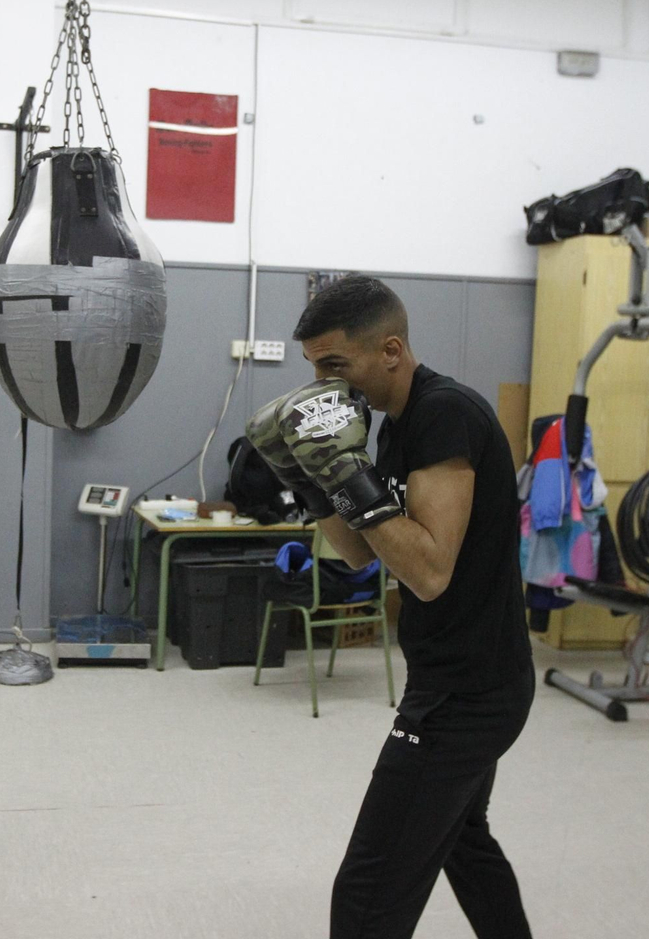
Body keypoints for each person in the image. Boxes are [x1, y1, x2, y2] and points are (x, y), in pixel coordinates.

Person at [246, 275, 534, 939]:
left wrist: (349, 475)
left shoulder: (443, 415)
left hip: (466, 694)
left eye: (335, 365)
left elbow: (429, 571)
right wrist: (310, 476)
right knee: (463, 840)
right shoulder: (393, 426)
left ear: (392, 350)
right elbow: (360, 554)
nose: (322, 384)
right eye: (314, 367)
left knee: (368, 891)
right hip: (457, 676)